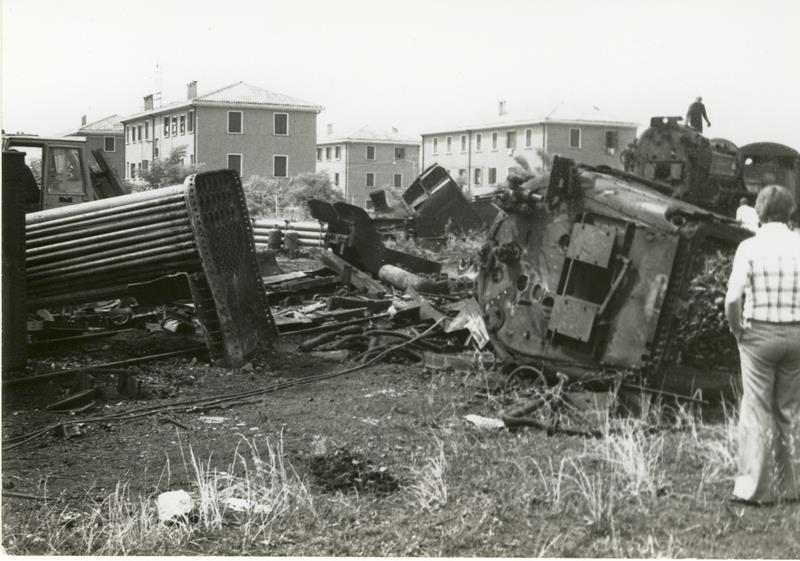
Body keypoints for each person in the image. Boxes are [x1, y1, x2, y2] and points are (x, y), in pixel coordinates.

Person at [725, 184, 800, 505]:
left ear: (759, 212)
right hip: (796, 336)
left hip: (758, 337)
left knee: (756, 410)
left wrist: (737, 329)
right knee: (790, 411)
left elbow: (732, 298)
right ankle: (792, 487)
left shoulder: (749, 247)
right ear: (790, 212)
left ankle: (754, 489)